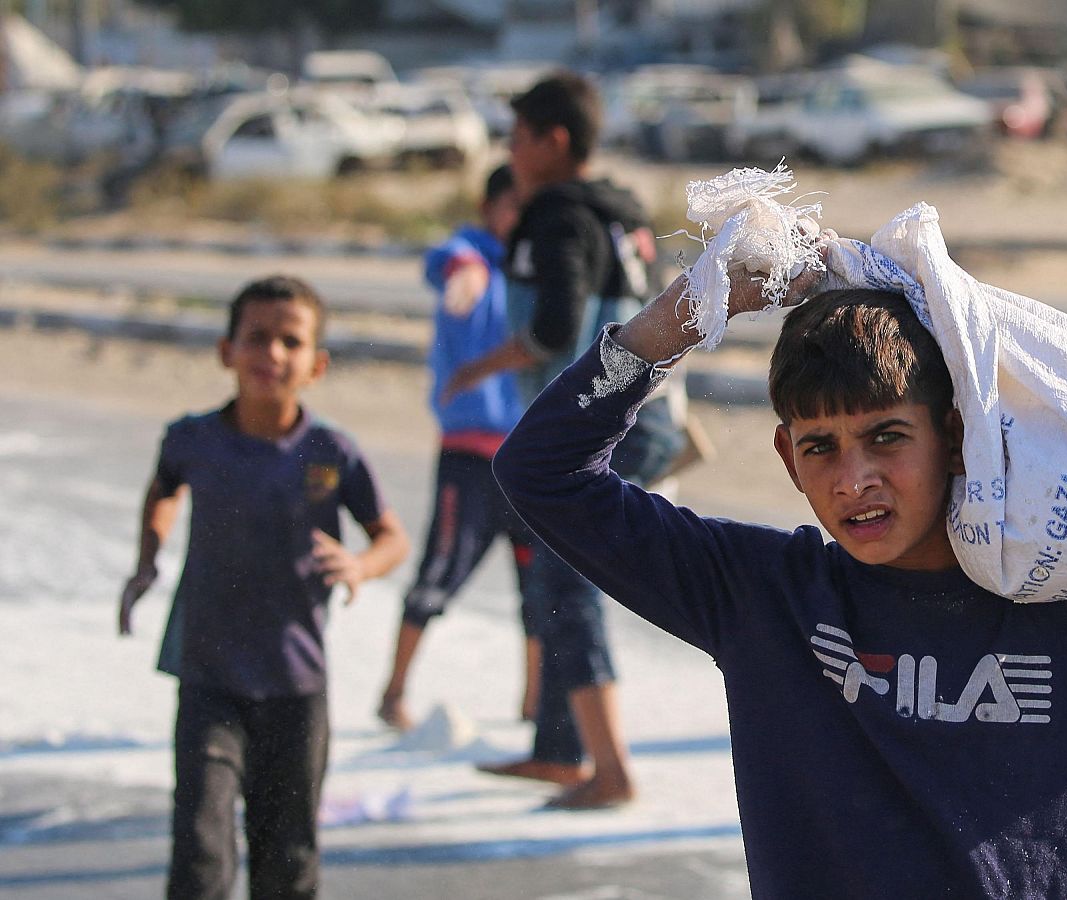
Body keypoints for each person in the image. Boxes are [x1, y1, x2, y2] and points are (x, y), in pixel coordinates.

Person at [488, 254, 1067, 896]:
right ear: (787, 462)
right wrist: (673, 323)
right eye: (820, 448)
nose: (854, 478)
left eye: (887, 438)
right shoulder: (762, 596)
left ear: (955, 436)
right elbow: (541, 474)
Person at [118, 275, 409, 899]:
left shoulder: (331, 452)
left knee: (288, 860)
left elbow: (392, 537)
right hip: (208, 679)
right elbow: (164, 487)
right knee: (199, 850)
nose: (271, 354)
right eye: (256, 338)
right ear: (227, 351)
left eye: (290, 341)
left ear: (316, 365)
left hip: (296, 687)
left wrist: (360, 566)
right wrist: (147, 559)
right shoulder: (192, 439)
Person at [447, 71, 683, 809]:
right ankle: (558, 750)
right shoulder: (623, 210)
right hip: (647, 419)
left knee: (564, 586)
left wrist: (476, 368)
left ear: (553, 141)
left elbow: (553, 329)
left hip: (592, 435)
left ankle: (607, 771)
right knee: (557, 582)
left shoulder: (553, 213)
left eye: (517, 137)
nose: (509, 151)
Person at [375, 164, 565, 746]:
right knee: (438, 574)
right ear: (491, 208)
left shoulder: (537, 263)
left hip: (529, 457)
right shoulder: (471, 253)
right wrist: (466, 276)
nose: (521, 218)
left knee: (539, 589)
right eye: (513, 206)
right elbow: (447, 263)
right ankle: (393, 692)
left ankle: (534, 702)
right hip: (471, 456)